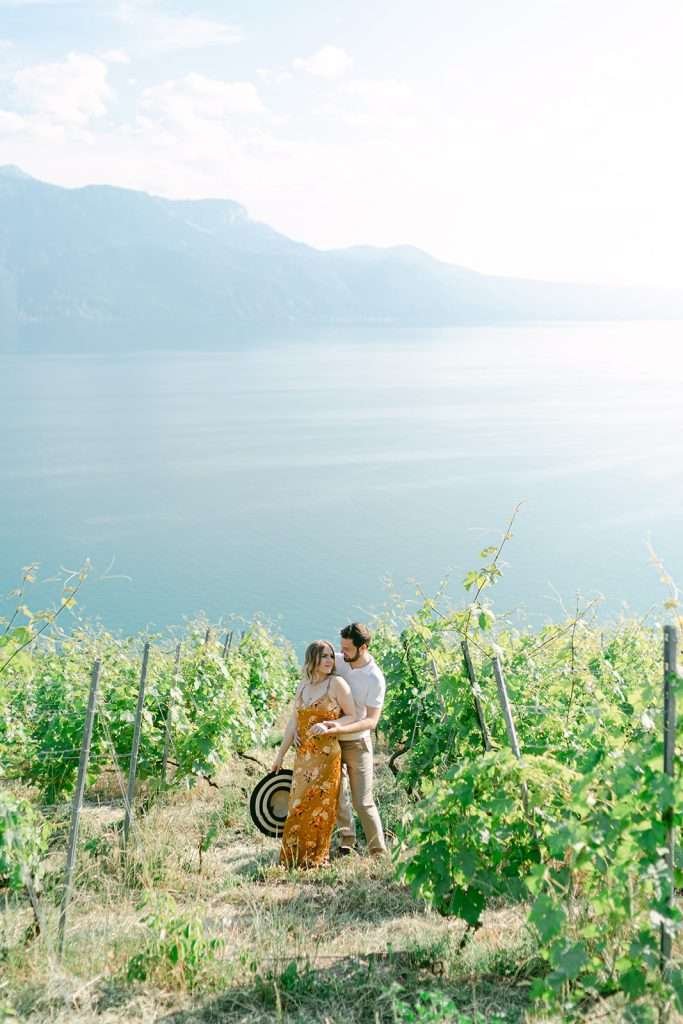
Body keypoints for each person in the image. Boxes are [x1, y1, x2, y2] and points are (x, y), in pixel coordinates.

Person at [272, 639, 357, 868]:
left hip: (327, 755)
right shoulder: (303, 686)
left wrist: (330, 725)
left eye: (331, 656)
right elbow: (293, 722)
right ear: (312, 659)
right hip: (302, 757)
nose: (330, 660)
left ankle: (316, 858)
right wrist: (280, 756)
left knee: (320, 807)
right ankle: (293, 857)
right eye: (324, 656)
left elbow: (352, 716)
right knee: (298, 804)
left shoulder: (337, 684)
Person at [309, 622, 387, 857]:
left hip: (357, 743)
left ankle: (378, 851)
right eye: (340, 647)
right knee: (336, 794)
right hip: (330, 740)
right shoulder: (340, 662)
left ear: (362, 647)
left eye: (347, 649)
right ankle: (347, 839)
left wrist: (340, 728)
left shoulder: (375, 679)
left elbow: (372, 721)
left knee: (362, 801)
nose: (341, 653)